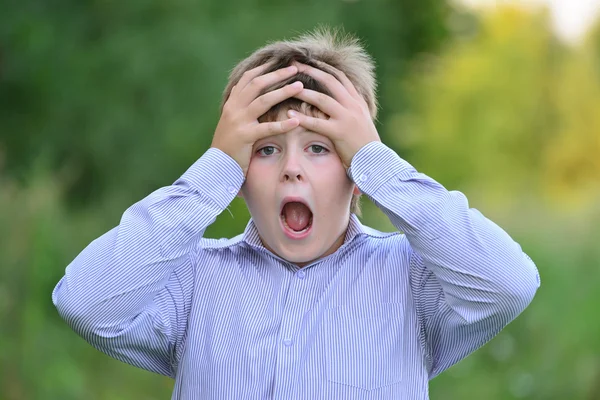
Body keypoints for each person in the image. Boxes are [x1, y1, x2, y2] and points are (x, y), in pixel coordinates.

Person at [52, 28, 541, 399]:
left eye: (319, 149)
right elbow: (85, 303)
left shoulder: (409, 277)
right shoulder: (192, 278)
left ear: (355, 173)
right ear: (238, 177)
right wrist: (212, 172)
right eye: (264, 150)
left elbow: (508, 282)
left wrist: (378, 163)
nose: (291, 169)